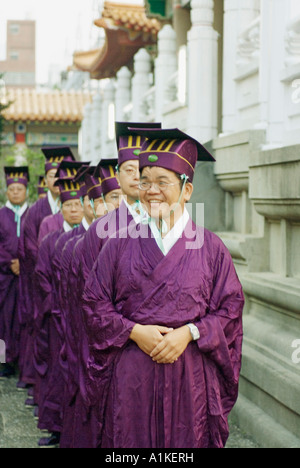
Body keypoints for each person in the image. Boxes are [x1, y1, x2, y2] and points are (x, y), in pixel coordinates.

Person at [83, 128, 244, 449]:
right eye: (145, 181)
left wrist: (190, 333)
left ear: (186, 190)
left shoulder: (211, 248)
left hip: (190, 378)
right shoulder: (117, 245)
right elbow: (94, 303)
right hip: (132, 377)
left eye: (162, 182)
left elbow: (230, 309)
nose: (151, 190)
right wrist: (132, 331)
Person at [19, 146, 75, 388]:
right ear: (46, 179)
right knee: (39, 332)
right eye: (53, 175)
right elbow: (30, 245)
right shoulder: (36, 211)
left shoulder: (76, 205)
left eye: (62, 174)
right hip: (42, 280)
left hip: (70, 284)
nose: (57, 179)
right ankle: (35, 380)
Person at [0, 167, 29, 379]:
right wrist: (9, 262)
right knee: (3, 320)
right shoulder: (1, 215)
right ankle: (4, 362)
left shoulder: (34, 213)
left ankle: (24, 362)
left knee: (26, 320)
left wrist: (25, 262)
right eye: (12, 189)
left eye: (19, 188)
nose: (16, 192)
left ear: (26, 190)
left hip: (28, 278)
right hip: (4, 278)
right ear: (6, 191)